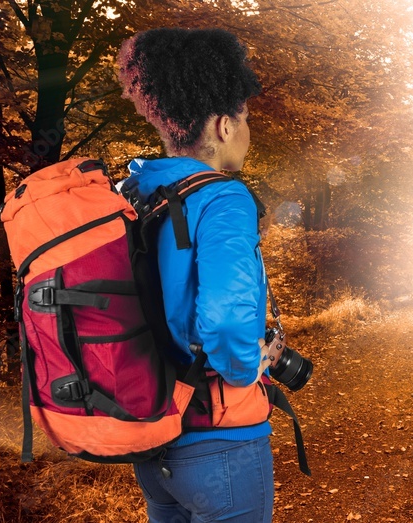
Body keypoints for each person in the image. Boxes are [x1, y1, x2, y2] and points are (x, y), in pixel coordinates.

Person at [116, 27, 280, 522]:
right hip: (220, 439)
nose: (248, 129)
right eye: (246, 117)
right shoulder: (223, 198)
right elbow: (227, 319)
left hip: (155, 437)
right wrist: (245, 369)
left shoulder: (135, 191)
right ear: (225, 127)